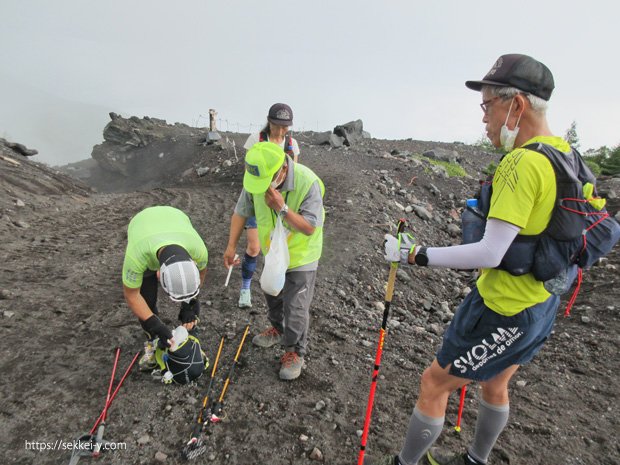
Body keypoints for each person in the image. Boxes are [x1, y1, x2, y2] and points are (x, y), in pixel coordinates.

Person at [373, 54, 569, 465]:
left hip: (502, 308)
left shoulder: (522, 162)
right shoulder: (564, 156)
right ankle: (476, 460)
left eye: (487, 105)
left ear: (516, 106)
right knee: (495, 383)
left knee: (433, 383)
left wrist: (415, 254)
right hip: (542, 304)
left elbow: (489, 252)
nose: (484, 119)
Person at [224, 141, 324, 380]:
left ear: (282, 170)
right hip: (273, 251)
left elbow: (310, 227)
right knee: (271, 291)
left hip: (302, 255)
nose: (261, 188)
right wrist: (230, 247)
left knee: (296, 307)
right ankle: (278, 329)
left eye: (266, 181)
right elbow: (241, 211)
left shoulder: (307, 182)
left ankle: (295, 352)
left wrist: (282, 208)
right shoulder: (255, 179)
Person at [122, 206, 208, 372]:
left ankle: (190, 341)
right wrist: (155, 325)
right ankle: (152, 341)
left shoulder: (200, 252)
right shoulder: (137, 257)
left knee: (188, 297)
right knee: (147, 300)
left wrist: (189, 305)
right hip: (142, 224)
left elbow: (197, 282)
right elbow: (132, 296)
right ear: (158, 274)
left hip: (177, 217)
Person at [236, 103, 301, 310]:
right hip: (259, 199)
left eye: (285, 127)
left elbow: (294, 174)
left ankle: (279, 289)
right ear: (269, 122)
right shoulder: (256, 140)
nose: (281, 131)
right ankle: (246, 288)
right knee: (255, 247)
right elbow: (250, 170)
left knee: (280, 248)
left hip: (281, 202)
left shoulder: (292, 145)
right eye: (277, 125)